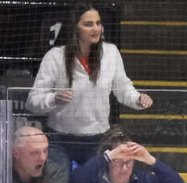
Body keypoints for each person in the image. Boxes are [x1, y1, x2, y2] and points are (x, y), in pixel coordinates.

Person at [26, 2, 153, 167]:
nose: (96, 29)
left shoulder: (111, 53)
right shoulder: (55, 56)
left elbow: (124, 89)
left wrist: (138, 99)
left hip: (98, 139)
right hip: (60, 139)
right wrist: (53, 99)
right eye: (88, 24)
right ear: (75, 28)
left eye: (98, 23)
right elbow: (32, 101)